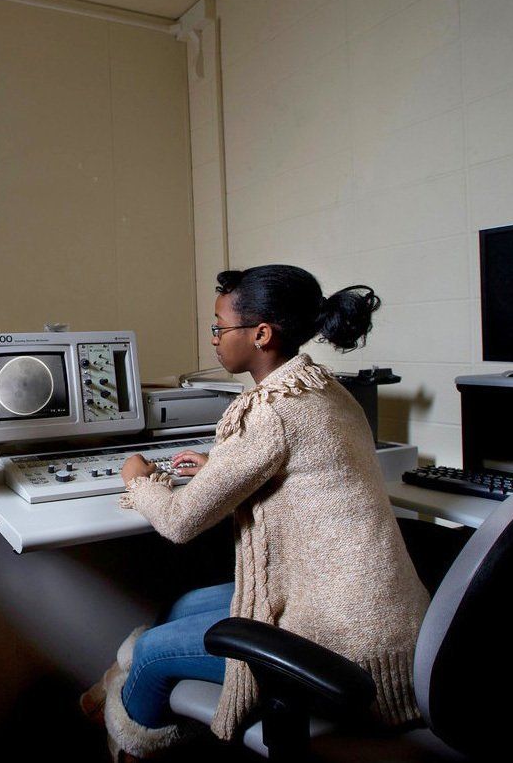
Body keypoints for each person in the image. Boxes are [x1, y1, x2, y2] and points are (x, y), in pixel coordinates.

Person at [93, 264, 430, 760]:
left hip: (345, 650)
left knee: (150, 651)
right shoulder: (324, 388)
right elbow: (294, 469)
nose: (213, 338)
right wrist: (223, 466)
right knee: (184, 606)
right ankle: (112, 689)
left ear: (262, 334)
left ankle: (127, 738)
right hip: (382, 623)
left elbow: (180, 521)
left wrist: (137, 478)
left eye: (219, 327)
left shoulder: (269, 411)